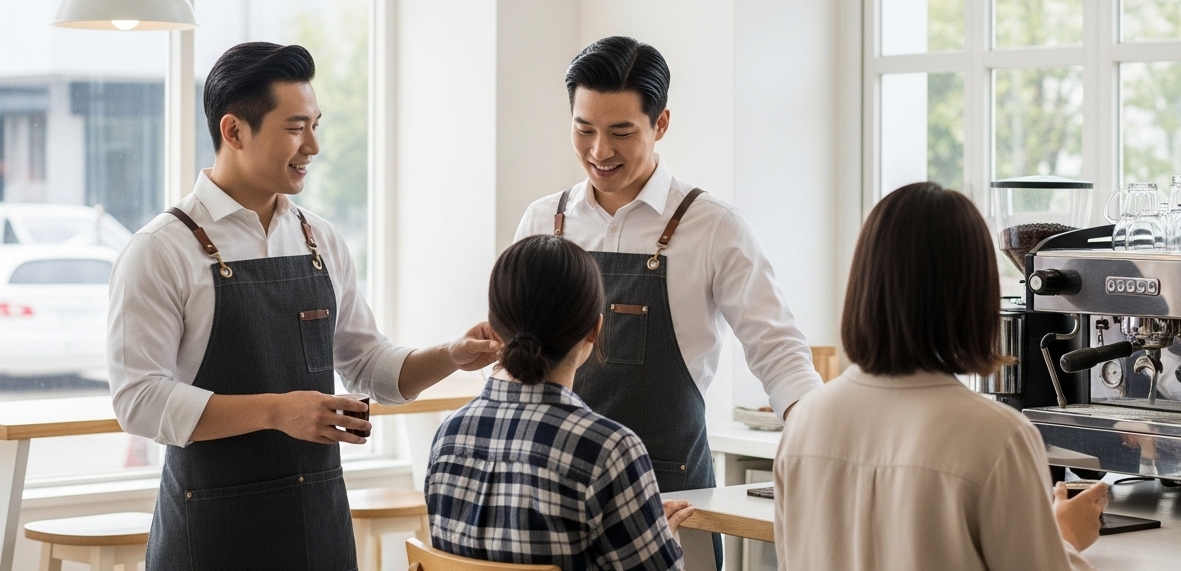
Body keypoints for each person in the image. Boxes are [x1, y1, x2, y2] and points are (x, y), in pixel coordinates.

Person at [108, 42, 500, 570]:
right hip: (212, 535)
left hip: (318, 527)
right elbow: (138, 400)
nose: (313, 145)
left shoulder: (321, 239)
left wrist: (451, 355)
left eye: (316, 125)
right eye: (296, 127)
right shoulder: (162, 249)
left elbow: (368, 367)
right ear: (234, 132)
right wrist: (277, 411)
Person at [514, 36, 821, 489]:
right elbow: (507, 353)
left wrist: (819, 441)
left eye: (621, 133)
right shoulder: (543, 220)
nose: (600, 151)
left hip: (670, 495)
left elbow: (778, 351)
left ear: (661, 124)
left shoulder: (714, 226)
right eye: (584, 130)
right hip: (549, 485)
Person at [773, 182, 1107, 571]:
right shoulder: (997, 435)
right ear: (976, 293)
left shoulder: (806, 421)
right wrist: (1064, 537)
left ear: (864, 283)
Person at [426, 235, 695, 570]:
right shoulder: (610, 449)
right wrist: (663, 541)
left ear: (493, 329)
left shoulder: (448, 436)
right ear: (596, 329)